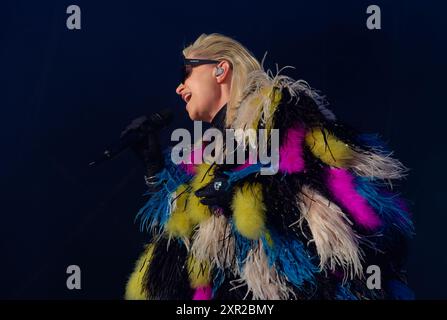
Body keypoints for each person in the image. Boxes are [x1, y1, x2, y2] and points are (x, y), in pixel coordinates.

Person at [124, 33, 414, 300]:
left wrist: (247, 193)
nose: (179, 87)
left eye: (185, 72)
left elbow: (326, 194)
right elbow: (181, 236)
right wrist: (154, 166)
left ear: (220, 69)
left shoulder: (279, 109)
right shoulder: (204, 158)